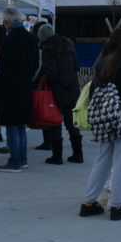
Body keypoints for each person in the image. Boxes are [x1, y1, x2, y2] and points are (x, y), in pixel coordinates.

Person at [78, 28, 121, 221]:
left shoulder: (102, 64)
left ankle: (89, 202)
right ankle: (117, 204)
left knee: (102, 159)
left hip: (103, 118)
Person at [0, 7, 40, 173]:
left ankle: (15, 161)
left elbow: (5, 67)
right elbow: (36, 65)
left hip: (10, 88)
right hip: (25, 86)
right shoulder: (31, 39)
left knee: (13, 125)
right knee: (21, 125)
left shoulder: (9, 40)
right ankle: (22, 159)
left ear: (6, 21)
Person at [37, 24, 83, 164]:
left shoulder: (48, 49)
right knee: (71, 122)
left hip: (57, 90)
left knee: (55, 121)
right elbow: (77, 66)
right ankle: (78, 154)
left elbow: (51, 72)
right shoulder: (68, 45)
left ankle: (57, 156)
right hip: (73, 88)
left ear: (42, 37)